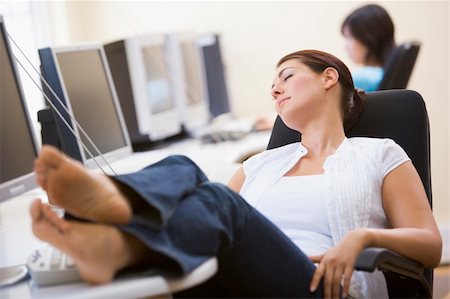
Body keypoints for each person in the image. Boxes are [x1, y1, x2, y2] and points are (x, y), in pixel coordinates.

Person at [30, 49, 441, 299]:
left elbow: (429, 245)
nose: (275, 89)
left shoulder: (379, 153)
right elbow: (200, 218)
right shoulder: (261, 163)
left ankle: (114, 231)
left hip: (324, 287)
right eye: (273, 84)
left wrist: (362, 237)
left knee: (219, 200)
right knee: (184, 169)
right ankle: (112, 232)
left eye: (287, 76)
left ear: (329, 78)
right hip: (237, 280)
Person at [341, 4, 396, 91]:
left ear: (368, 38)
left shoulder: (363, 79)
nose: (346, 47)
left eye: (350, 37)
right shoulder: (386, 74)